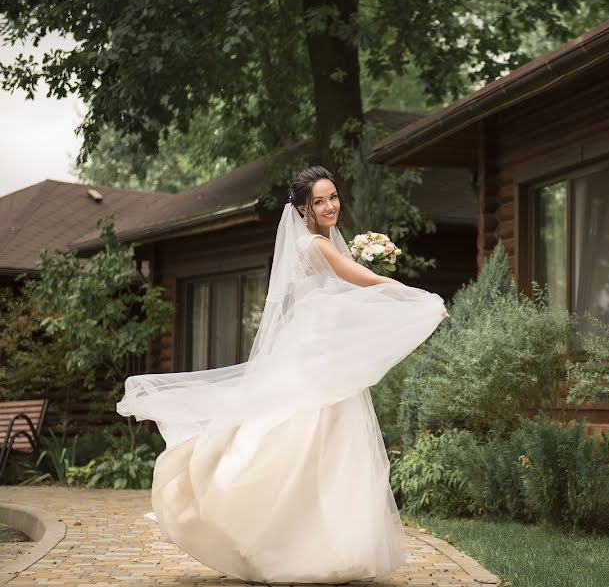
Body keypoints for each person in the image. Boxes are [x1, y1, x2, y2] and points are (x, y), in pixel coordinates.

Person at [117, 166, 447, 583]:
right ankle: (290, 542)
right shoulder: (316, 247)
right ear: (304, 209)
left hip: (320, 359)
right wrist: (410, 293)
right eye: (320, 201)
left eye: (334, 197)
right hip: (317, 366)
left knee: (325, 456)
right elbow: (357, 279)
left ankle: (323, 547)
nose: (331, 207)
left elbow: (308, 305)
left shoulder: (317, 246)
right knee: (305, 449)